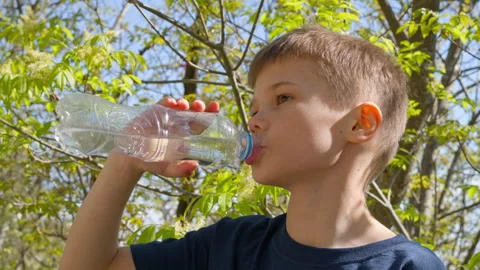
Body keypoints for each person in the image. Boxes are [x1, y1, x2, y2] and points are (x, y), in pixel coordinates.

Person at [59, 25, 446, 270]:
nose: (252, 121)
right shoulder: (229, 247)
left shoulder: (408, 265)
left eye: (282, 99)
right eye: (254, 106)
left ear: (359, 124)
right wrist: (127, 161)